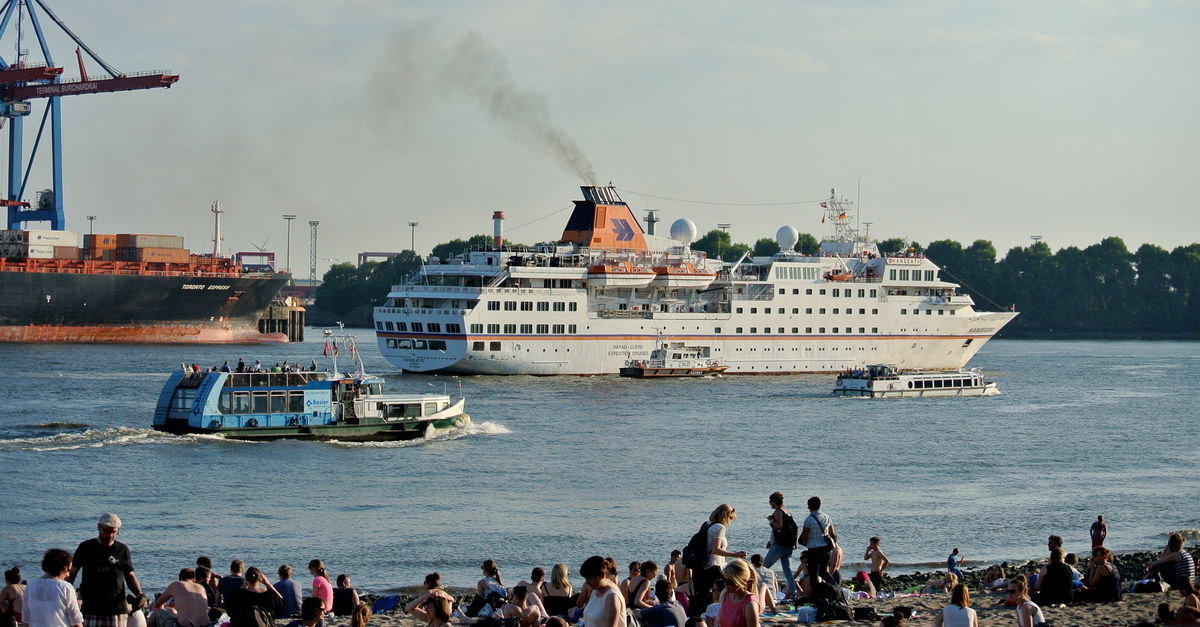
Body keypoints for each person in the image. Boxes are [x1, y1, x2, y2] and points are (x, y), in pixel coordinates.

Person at [69, 513, 144, 626]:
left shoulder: (122, 549)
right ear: (99, 527)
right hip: (91, 608)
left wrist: (140, 595)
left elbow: (130, 576)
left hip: (116, 609)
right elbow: (72, 573)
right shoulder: (86, 547)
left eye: (114, 532)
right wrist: (65, 593)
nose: (110, 535)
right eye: (107, 531)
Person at [23, 548, 83, 627]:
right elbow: (76, 621)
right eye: (68, 570)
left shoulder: (30, 586)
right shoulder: (66, 587)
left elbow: (26, 620)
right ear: (63, 567)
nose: (68, 574)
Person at [763, 492, 798, 601]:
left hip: (779, 546)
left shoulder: (777, 512)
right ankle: (794, 594)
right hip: (788, 546)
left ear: (774, 501)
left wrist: (771, 520)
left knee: (763, 567)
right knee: (787, 571)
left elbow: (780, 526)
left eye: (770, 501)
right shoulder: (787, 512)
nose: (770, 503)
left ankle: (759, 590)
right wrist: (771, 540)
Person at [580, 555, 625, 627]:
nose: (586, 582)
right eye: (585, 578)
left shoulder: (612, 597)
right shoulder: (596, 590)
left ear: (602, 574)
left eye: (590, 578)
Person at [798, 497, 834, 586]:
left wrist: (801, 541)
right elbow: (832, 533)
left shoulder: (808, 520)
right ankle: (836, 588)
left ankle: (817, 594)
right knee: (824, 572)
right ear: (819, 505)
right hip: (826, 549)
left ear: (809, 507)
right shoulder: (826, 517)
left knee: (814, 574)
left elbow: (804, 535)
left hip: (814, 550)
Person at [715, 560, 759, 627]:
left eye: (730, 582)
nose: (725, 584)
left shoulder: (750, 605)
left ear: (743, 581)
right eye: (724, 579)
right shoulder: (725, 594)